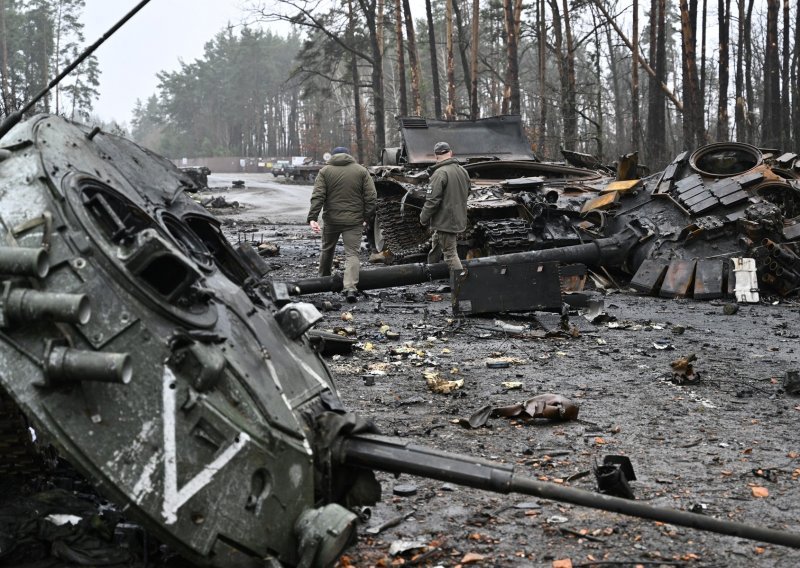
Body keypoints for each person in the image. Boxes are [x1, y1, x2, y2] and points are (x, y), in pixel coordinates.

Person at [307, 146, 377, 303]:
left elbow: (318, 196)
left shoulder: (325, 171)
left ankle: (323, 281)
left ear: (332, 156)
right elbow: (371, 197)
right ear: (348, 155)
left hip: (331, 220)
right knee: (352, 253)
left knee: (327, 249)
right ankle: (350, 288)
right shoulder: (361, 171)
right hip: (354, 221)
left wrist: (313, 218)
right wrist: (366, 216)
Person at [419, 141, 470, 271]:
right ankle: (432, 273)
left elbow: (432, 201)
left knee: (450, 255)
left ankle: (461, 286)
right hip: (457, 218)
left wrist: (423, 218)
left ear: (436, 156)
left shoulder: (440, 173)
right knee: (436, 245)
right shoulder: (463, 170)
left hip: (445, 221)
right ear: (451, 153)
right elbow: (467, 192)